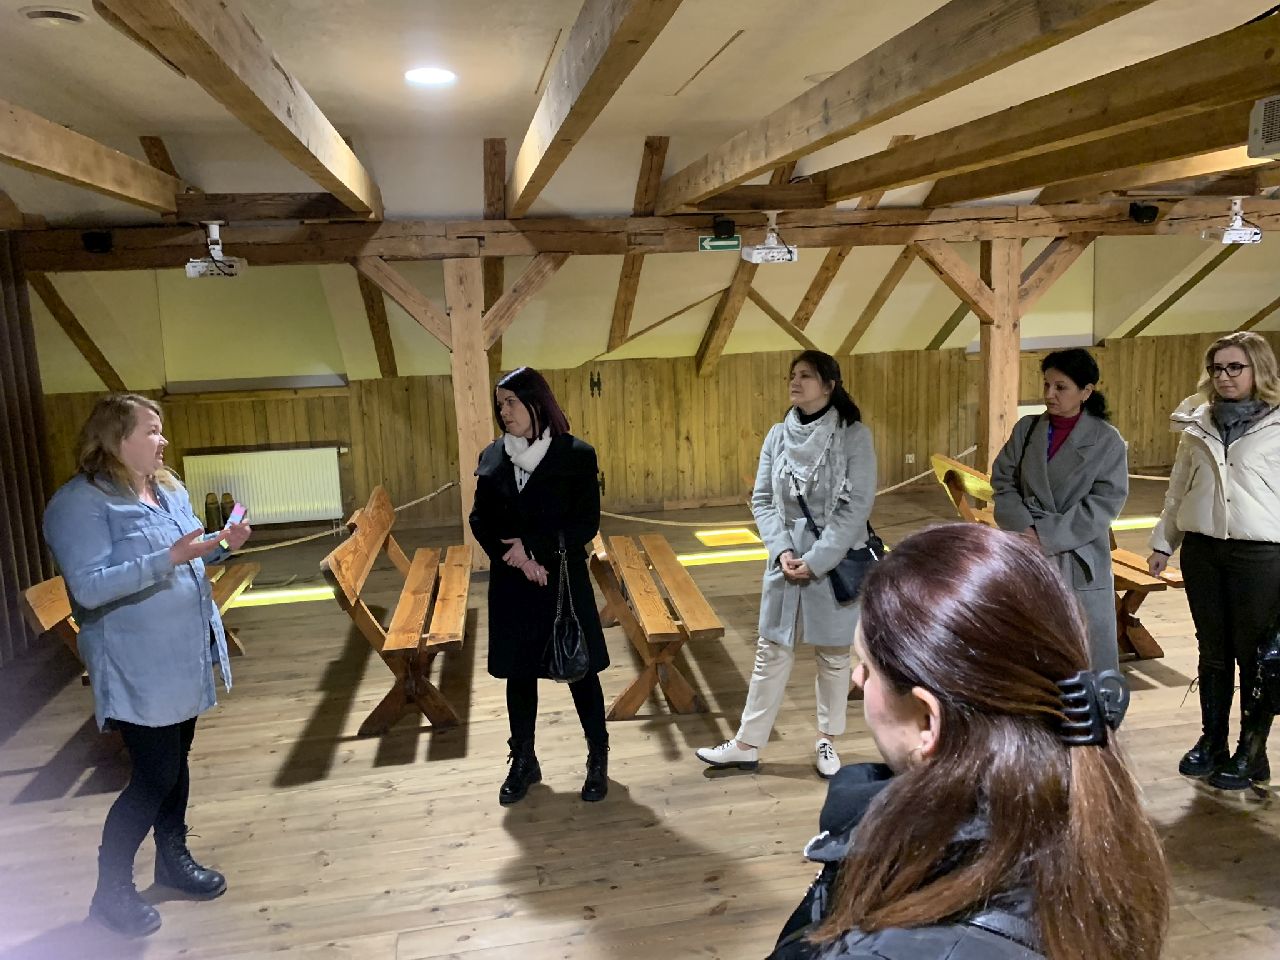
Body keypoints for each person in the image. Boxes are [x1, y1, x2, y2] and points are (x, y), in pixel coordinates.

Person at [768, 523, 1169, 960]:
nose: (858, 679)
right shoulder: (1096, 827)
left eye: (866, 666)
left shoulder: (890, 948)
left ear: (928, 720)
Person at [42, 394, 251, 937]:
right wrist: (170, 558)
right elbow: (88, 588)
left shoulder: (167, 489)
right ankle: (110, 892)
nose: (163, 440)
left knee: (175, 764)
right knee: (152, 776)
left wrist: (221, 545)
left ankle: (172, 859)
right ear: (117, 439)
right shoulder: (79, 503)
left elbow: (188, 551)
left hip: (183, 654)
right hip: (137, 664)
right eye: (151, 430)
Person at [697, 350, 876, 778]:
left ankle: (828, 739)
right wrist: (780, 550)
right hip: (786, 560)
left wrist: (816, 560)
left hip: (833, 559)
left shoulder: (853, 435)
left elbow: (856, 507)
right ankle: (747, 743)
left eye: (806, 376)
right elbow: (761, 499)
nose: (795, 382)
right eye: (792, 375)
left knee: (833, 656)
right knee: (771, 650)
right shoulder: (778, 436)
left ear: (829, 385)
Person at [470, 366, 611, 805]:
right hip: (514, 583)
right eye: (500, 404)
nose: (504, 412)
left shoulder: (575, 455)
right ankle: (524, 759)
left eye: (511, 402)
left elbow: (586, 523)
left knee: (580, 671)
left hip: (562, 579)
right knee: (519, 673)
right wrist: (513, 557)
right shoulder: (494, 456)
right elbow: (479, 519)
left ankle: (598, 756)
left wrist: (533, 548)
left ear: (536, 402)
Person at [1148, 331, 1280, 790]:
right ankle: (1213, 743)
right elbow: (1177, 488)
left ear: (1258, 369)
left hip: (1261, 554)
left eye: (1234, 367)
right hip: (1203, 551)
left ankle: (1251, 750)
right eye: (1217, 368)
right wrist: (1163, 542)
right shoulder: (1197, 424)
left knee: (1256, 656)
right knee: (1213, 653)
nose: (1224, 376)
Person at [991, 348, 1128, 673]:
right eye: (1046, 385)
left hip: (1077, 555)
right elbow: (1002, 481)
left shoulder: (1107, 441)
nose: (1049, 394)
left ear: (1086, 392)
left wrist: (1046, 536)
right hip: (1026, 551)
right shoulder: (1027, 429)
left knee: (1083, 655)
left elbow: (1105, 502)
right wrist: (1023, 529)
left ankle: (1090, 705)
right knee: (1031, 651)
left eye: (1061, 387)